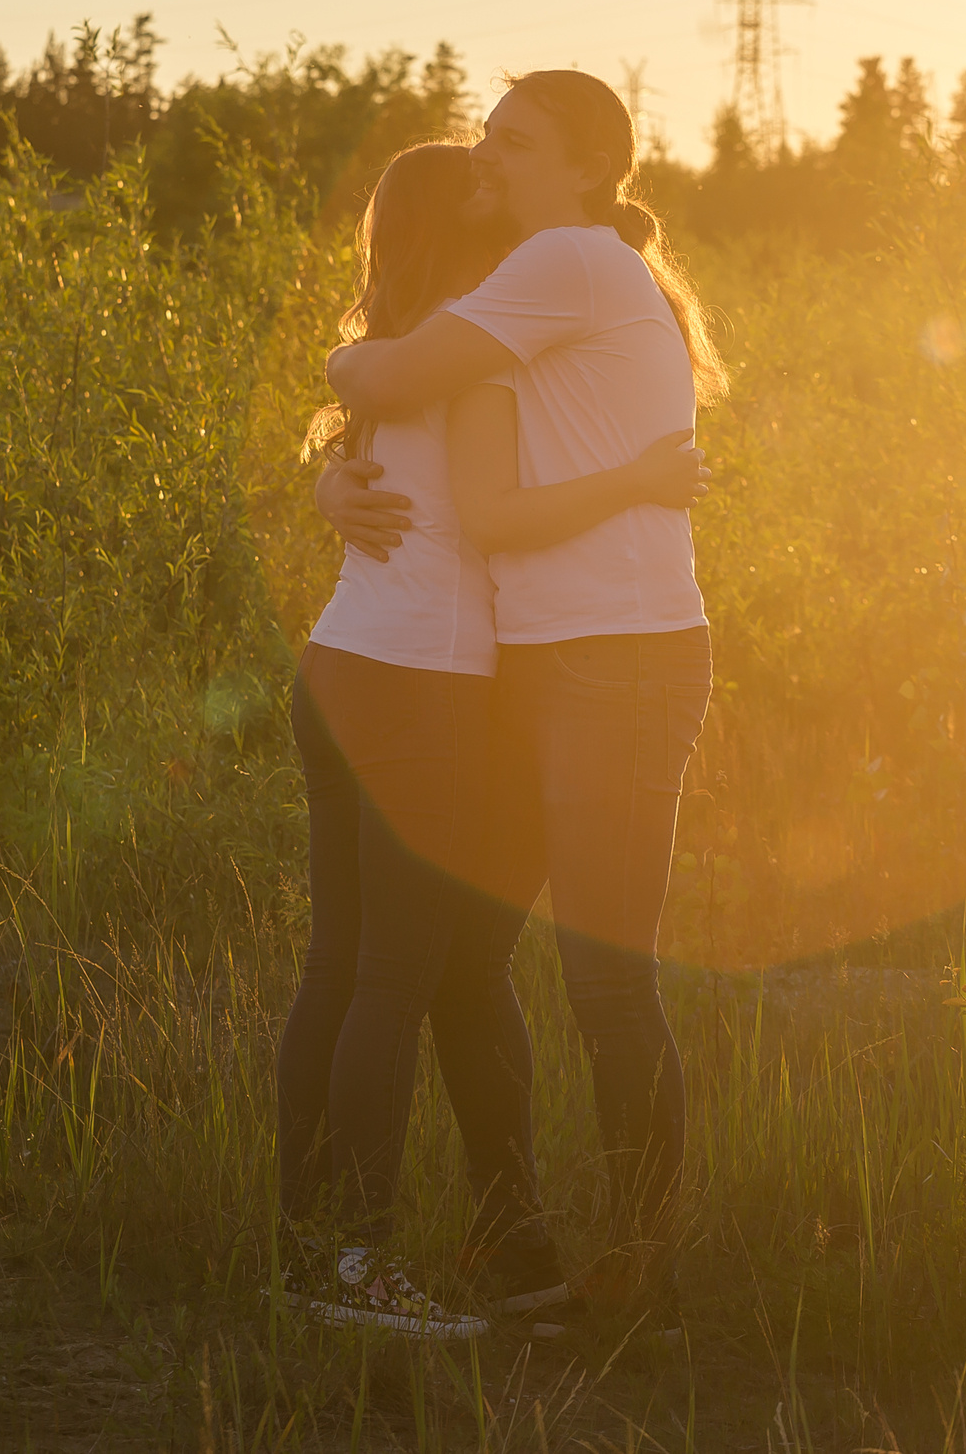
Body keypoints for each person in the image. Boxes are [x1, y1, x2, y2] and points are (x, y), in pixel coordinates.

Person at [278, 141, 709, 1340]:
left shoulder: (412, 354)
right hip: (420, 686)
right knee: (388, 982)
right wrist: (639, 478)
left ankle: (322, 1251)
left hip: (342, 664)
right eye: (480, 183)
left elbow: (366, 403)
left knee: (347, 972)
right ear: (464, 237)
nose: (500, 188)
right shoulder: (461, 360)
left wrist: (331, 456)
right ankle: (353, 1267)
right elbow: (483, 514)